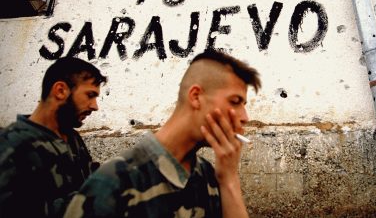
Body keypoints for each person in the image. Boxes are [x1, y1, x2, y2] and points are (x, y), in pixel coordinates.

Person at [64, 50, 261, 218]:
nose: (244, 117)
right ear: (196, 97)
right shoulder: (115, 182)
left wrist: (229, 180)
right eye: (235, 101)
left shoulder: (207, 175)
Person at [0, 57, 107, 217]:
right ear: (60, 90)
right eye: (90, 95)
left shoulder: (72, 137)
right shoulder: (12, 145)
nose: (94, 106)